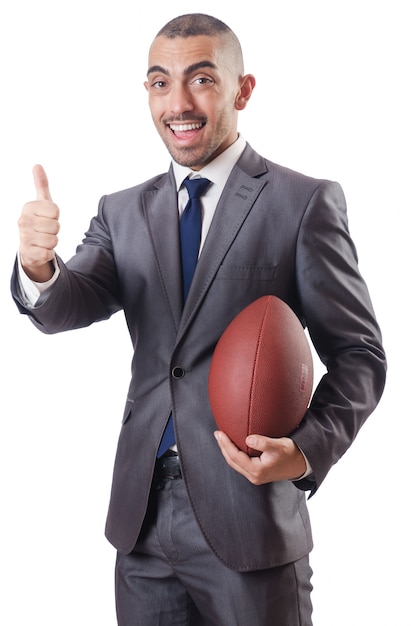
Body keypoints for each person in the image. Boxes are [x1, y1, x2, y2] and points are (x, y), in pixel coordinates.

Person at [11, 12, 386, 626]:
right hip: (141, 522)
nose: (178, 103)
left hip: (250, 517)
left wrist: (305, 451)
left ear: (243, 90)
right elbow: (66, 304)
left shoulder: (301, 203)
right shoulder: (123, 210)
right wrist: (37, 265)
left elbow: (361, 355)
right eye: (160, 83)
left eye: (202, 79)